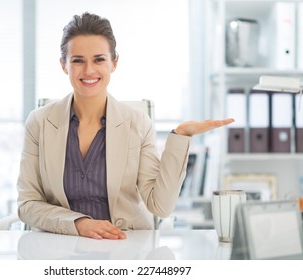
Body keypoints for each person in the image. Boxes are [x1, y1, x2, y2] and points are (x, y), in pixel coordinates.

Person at [17, 12, 234, 240]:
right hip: (61, 246)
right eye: (78, 60)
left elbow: (160, 206)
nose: (89, 70)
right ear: (64, 65)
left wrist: (180, 137)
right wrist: (79, 224)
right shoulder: (40, 122)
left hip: (126, 245)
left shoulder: (138, 123)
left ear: (114, 63)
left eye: (99, 59)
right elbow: (27, 204)